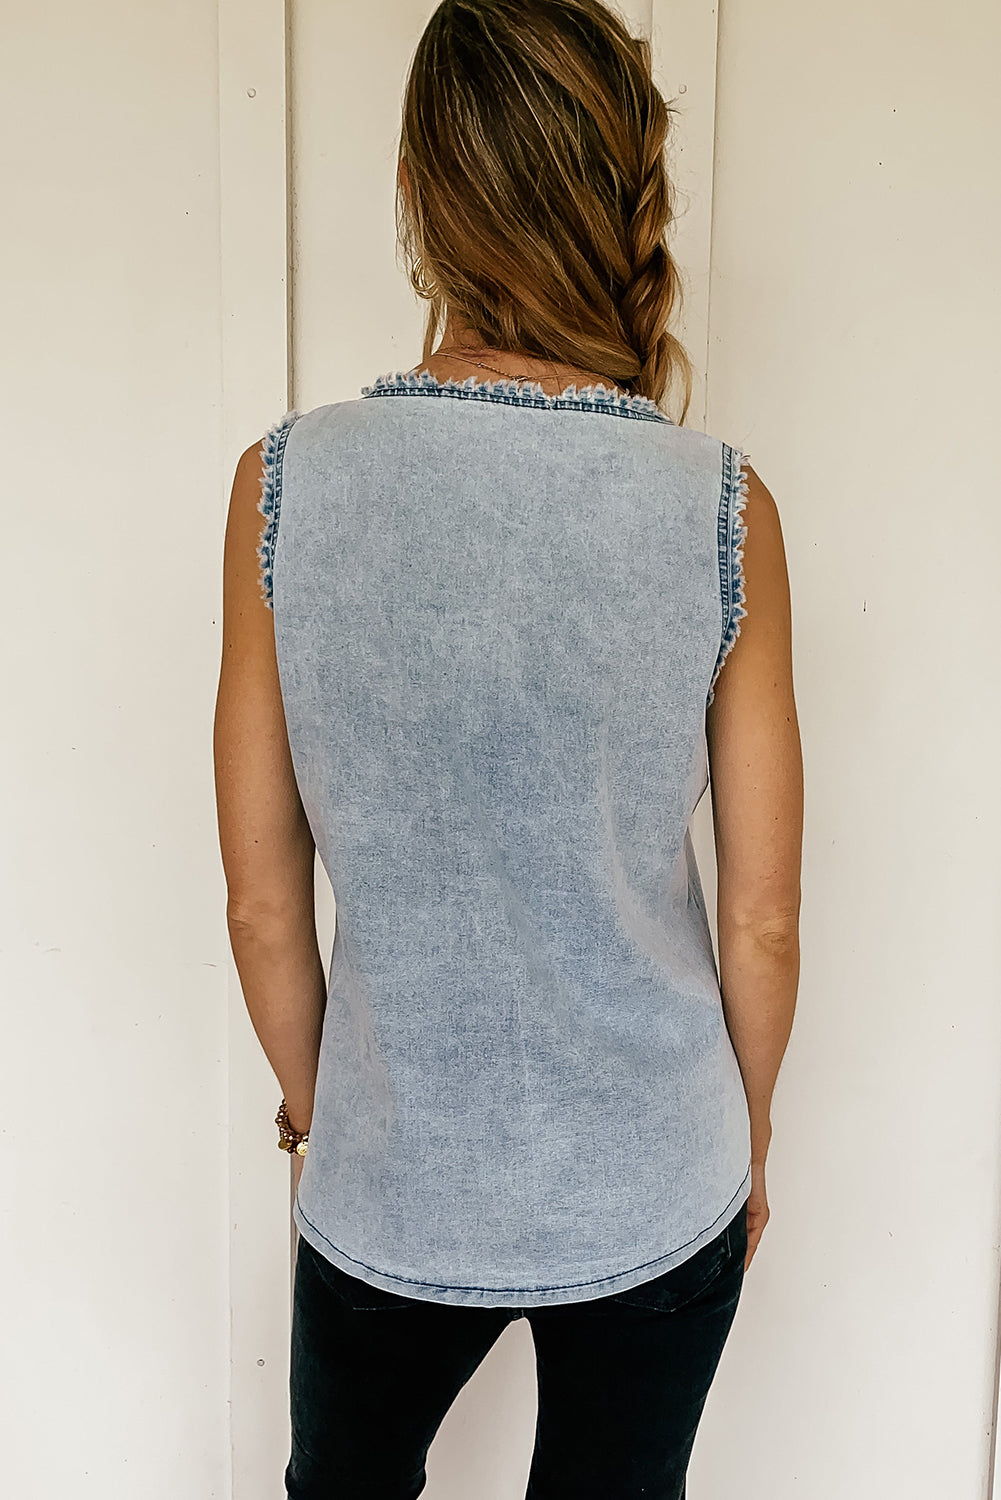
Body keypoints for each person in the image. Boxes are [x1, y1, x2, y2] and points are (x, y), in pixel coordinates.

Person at [213, 1, 803, 1495]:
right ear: (620, 196)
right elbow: (761, 916)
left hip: (391, 1177)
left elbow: (263, 904)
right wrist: (745, 1136)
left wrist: (326, 1125)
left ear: (419, 195)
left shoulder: (282, 488)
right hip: (654, 1178)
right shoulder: (722, 509)